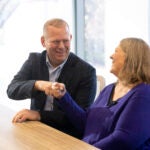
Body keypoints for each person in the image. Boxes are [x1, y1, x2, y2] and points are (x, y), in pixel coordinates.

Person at [13, 37, 150, 149]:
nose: (111, 56)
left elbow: (124, 139)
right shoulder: (109, 89)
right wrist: (63, 96)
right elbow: (85, 122)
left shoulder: (143, 94)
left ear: (131, 58)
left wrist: (84, 148)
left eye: (116, 51)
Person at [7, 18, 97, 139]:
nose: (61, 46)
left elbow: (80, 119)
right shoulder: (34, 61)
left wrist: (39, 115)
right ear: (43, 41)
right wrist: (39, 85)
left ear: (70, 38)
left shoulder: (86, 72)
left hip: (67, 136)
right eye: (55, 42)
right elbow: (12, 90)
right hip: (37, 130)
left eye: (65, 41)